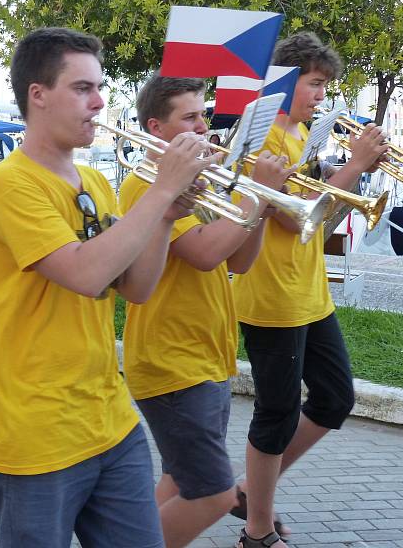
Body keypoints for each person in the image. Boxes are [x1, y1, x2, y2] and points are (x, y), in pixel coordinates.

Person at [0, 27, 216, 548]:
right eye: (83, 88)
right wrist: (163, 187)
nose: (100, 101)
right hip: (34, 431)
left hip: (109, 419)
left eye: (98, 87)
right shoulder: (10, 184)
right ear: (38, 94)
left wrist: (168, 216)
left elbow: (136, 289)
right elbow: (83, 273)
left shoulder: (98, 183)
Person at [118, 73, 293, 548]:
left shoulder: (197, 184)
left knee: (179, 482)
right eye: (190, 117)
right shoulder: (145, 186)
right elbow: (204, 253)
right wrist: (256, 194)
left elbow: (239, 259)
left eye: (204, 115)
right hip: (172, 361)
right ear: (156, 127)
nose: (203, 126)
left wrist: (264, 205)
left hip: (207, 355)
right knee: (214, 495)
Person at [230, 31, 387, 548]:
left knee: (335, 398)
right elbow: (285, 219)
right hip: (272, 294)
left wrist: (351, 174)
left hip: (309, 292)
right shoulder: (268, 136)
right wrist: (356, 164)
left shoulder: (302, 134)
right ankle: (256, 530)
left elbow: (320, 218)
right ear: (289, 79)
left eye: (325, 85)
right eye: (315, 83)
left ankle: (252, 492)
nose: (322, 94)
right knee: (275, 411)